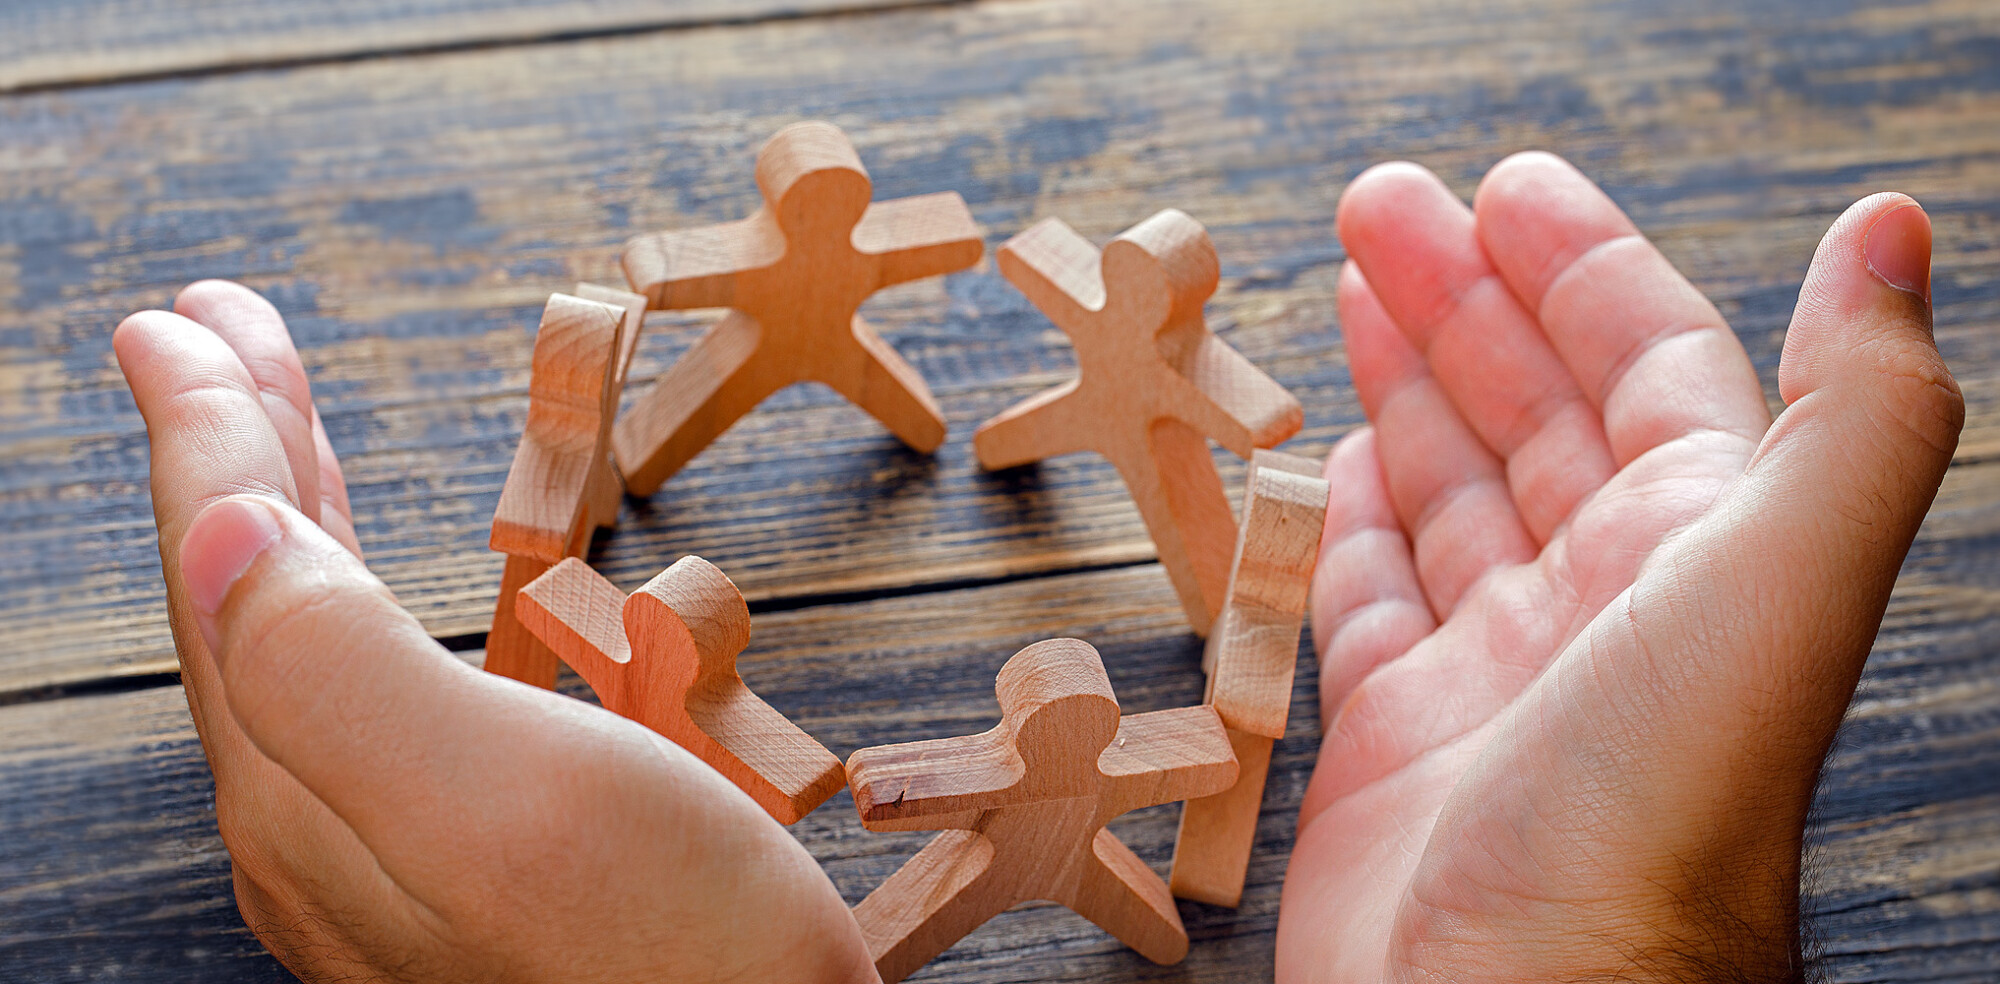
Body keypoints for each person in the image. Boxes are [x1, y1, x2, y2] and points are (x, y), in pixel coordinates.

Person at [114, 153, 1959, 984]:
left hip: (1109, 478)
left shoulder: (1030, 741)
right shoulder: (948, 723)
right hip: (1050, 462)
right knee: (1000, 462)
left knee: (1151, 549)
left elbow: (895, 772)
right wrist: (1599, 957)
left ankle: (1154, 880)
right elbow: (862, 766)